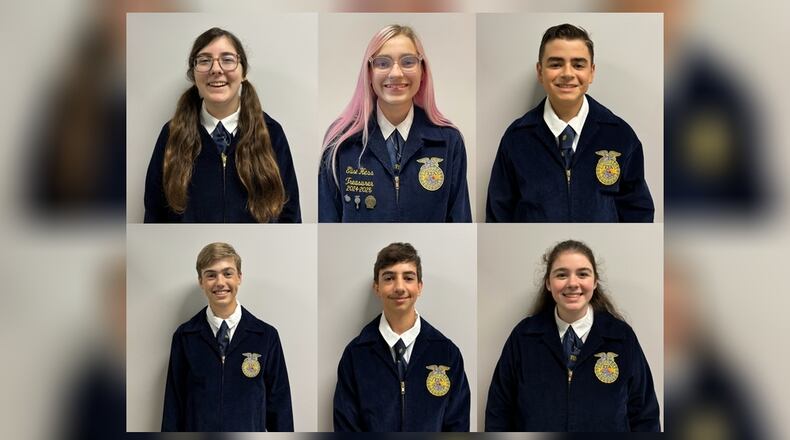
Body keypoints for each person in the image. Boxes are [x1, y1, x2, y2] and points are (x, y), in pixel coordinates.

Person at [485, 240, 660, 432]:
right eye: (561, 275)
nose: (572, 283)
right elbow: (499, 410)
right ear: (548, 283)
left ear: (594, 282)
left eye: (583, 274)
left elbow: (644, 414)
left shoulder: (621, 338)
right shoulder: (524, 337)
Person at [485, 24, 654, 222]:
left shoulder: (620, 136)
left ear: (591, 72)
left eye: (578, 64)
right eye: (556, 64)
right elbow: (498, 215)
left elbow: (638, 212)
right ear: (540, 72)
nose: (567, 73)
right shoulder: (516, 139)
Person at [144, 27, 301, 223]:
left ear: (243, 72)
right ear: (194, 75)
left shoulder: (271, 133)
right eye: (204, 60)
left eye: (227, 60)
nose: (216, 69)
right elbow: (154, 213)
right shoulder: (171, 134)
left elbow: (290, 214)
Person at [318, 25, 471, 222]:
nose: (396, 73)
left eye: (408, 62)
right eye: (383, 63)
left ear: (422, 70)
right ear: (369, 72)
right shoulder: (340, 141)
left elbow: (460, 220)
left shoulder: (448, 141)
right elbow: (328, 220)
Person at [333, 243, 470, 431]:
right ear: (377, 287)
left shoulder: (446, 353)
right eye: (389, 278)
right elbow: (346, 428)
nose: (399, 287)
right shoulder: (355, 355)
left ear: (419, 286)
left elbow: (458, 425)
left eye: (408, 278)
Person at [162, 242, 293, 431]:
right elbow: (173, 406)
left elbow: (280, 406)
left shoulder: (265, 336)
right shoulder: (185, 336)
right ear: (201, 281)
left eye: (228, 273)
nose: (220, 282)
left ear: (239, 277)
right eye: (211, 275)